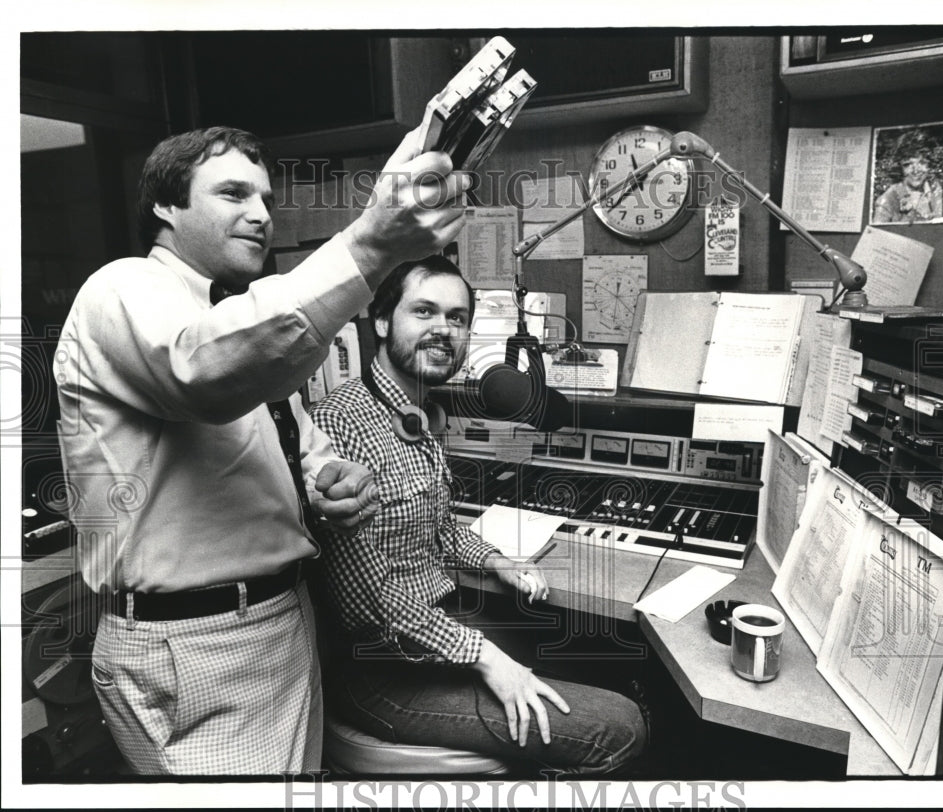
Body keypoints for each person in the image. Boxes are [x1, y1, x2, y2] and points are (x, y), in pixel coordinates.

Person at [53, 125, 470, 775]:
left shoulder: (241, 319)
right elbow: (203, 373)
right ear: (165, 205)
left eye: (266, 199)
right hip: (197, 644)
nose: (259, 214)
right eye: (231, 193)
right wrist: (366, 245)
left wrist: (332, 477)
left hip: (280, 623)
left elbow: (295, 442)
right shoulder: (122, 290)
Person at [309, 256, 648, 776]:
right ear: (381, 321)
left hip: (439, 629)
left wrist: (496, 560)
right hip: (382, 671)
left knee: (601, 654)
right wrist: (488, 658)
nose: (444, 330)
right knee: (618, 727)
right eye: (424, 311)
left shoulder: (413, 412)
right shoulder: (344, 421)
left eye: (458, 317)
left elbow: (439, 526)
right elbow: (366, 603)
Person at [873, 133, 943, 224]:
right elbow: (875, 235)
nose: (916, 170)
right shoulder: (887, 199)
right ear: (900, 167)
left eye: (922, 163)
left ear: (930, 165)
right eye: (908, 164)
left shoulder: (934, 190)